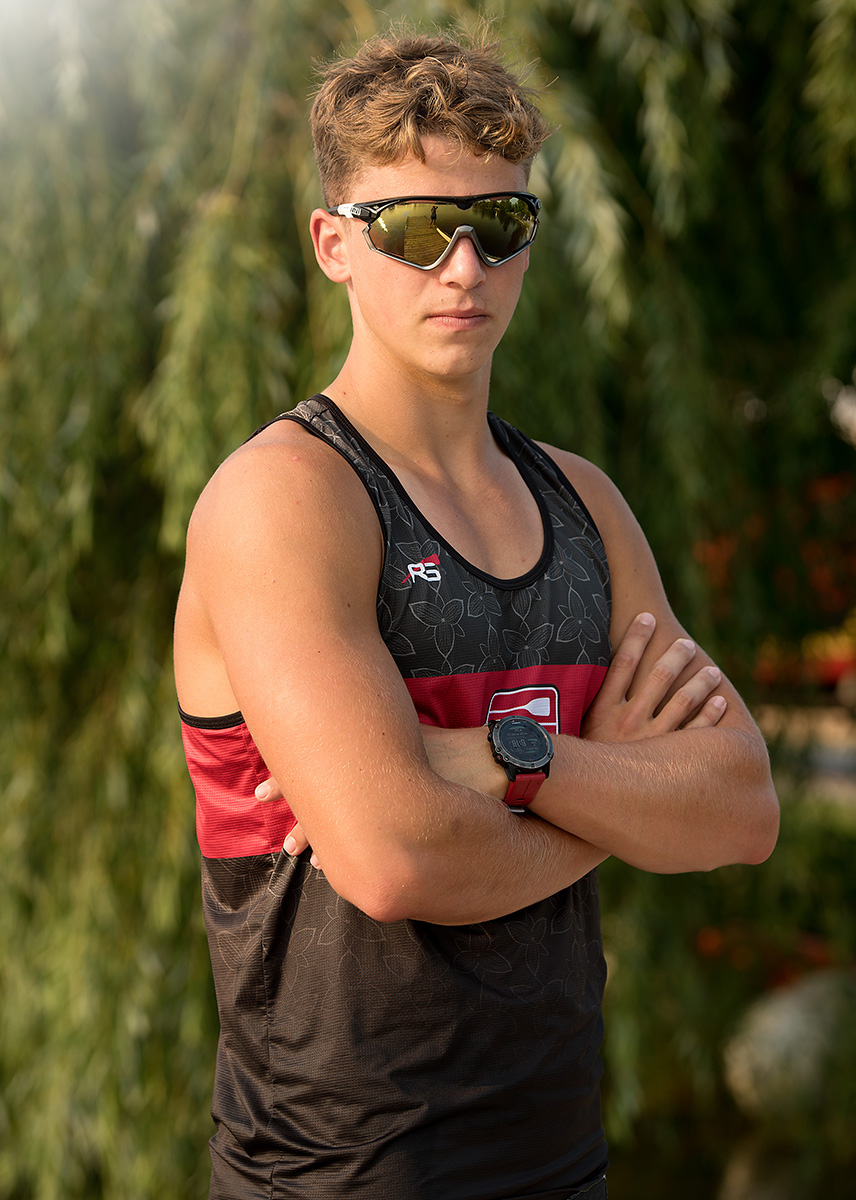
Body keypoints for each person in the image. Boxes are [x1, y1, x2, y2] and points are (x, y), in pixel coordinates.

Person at [173, 29, 779, 1200]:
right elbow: (395, 859)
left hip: (561, 1161)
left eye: (499, 226)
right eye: (413, 229)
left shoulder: (583, 501)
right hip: (338, 1174)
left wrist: (496, 761)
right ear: (333, 245)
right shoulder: (286, 499)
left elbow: (742, 807)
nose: (462, 268)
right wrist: (616, 793)